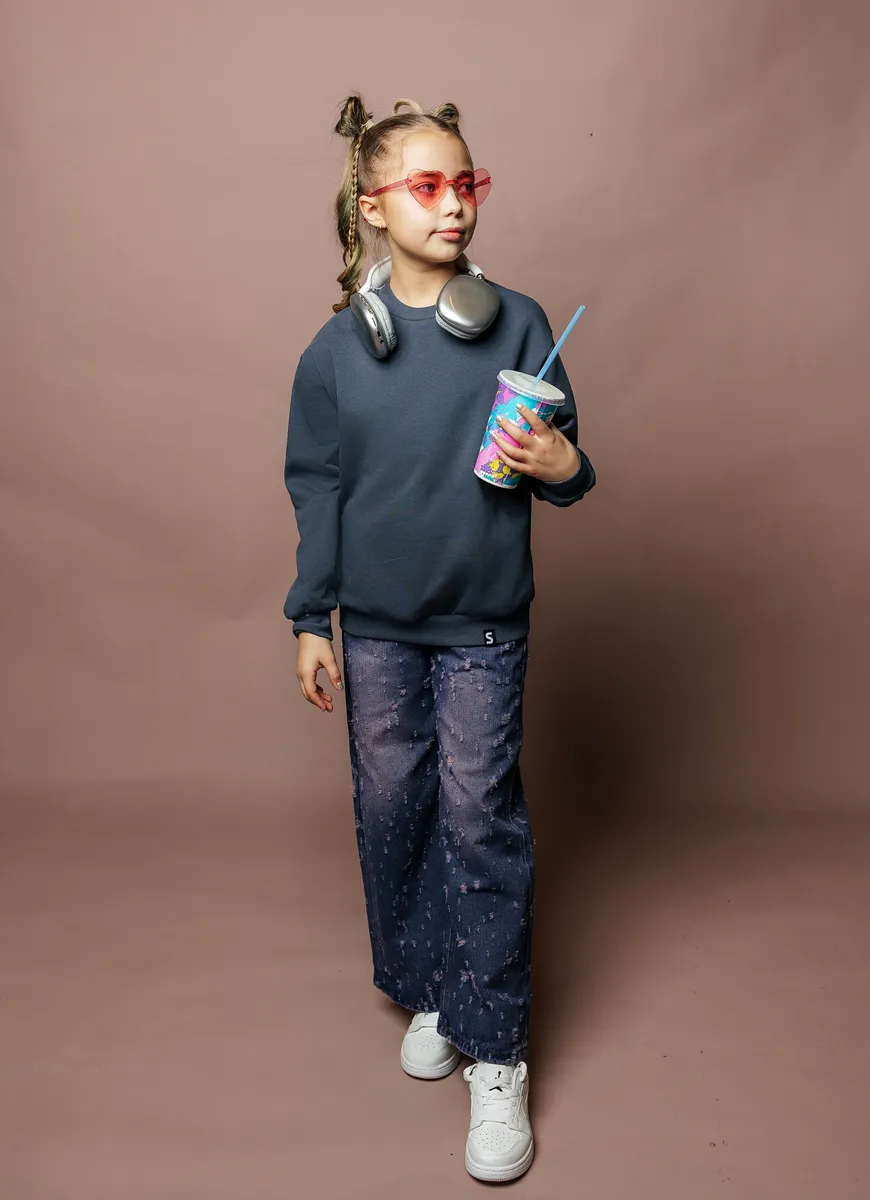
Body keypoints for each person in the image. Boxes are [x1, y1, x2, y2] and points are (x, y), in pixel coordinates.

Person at [282, 92, 596, 1184]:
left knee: (479, 817)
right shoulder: (335, 352)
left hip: (482, 628)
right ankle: (432, 989)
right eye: (428, 185)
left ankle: (496, 1047)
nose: (454, 203)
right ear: (373, 206)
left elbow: (568, 468)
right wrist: (308, 618)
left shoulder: (521, 323)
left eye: (468, 183)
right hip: (373, 629)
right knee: (394, 808)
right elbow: (316, 489)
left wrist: (563, 464)